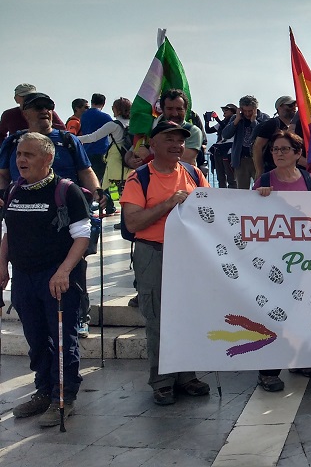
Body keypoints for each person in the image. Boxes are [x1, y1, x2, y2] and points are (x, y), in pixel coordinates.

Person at [1, 132, 91, 427]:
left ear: (48, 158)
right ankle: (43, 391)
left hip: (57, 280)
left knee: (64, 341)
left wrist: (63, 271)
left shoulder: (66, 190)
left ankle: (63, 397)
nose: (21, 160)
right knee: (36, 339)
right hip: (24, 280)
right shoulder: (15, 190)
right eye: (18, 155)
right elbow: (8, 232)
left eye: (28, 154)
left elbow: (82, 237)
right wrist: (2, 265)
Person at [120, 121, 211, 405]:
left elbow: (212, 209)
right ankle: (162, 380)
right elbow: (133, 222)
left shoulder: (194, 173)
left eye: (180, 141)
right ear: (153, 144)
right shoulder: (139, 178)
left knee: (187, 314)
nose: (176, 145)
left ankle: (186, 375)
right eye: (169, 139)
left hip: (187, 254)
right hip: (153, 253)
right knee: (158, 319)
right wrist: (168, 203)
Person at [254, 130, 311, 390]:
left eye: (284, 149)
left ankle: (300, 359)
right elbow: (249, 217)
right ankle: (268, 370)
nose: (278, 153)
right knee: (274, 311)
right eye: (275, 149)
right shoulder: (263, 181)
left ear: (297, 154)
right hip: (274, 258)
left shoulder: (309, 179)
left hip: (303, 257)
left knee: (301, 308)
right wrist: (259, 198)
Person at [77, 97, 132, 213]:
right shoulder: (131, 123)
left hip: (116, 160)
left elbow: (93, 137)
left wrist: (73, 138)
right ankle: (124, 217)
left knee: (116, 189)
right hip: (129, 159)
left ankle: (123, 220)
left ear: (118, 109)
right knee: (128, 190)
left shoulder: (113, 125)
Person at [218, 95, 269, 189]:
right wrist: (236, 120)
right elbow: (225, 134)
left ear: (255, 109)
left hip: (258, 160)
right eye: (245, 111)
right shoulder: (236, 118)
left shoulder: (264, 118)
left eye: (250, 111)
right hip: (241, 160)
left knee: (260, 187)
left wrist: (254, 122)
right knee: (241, 191)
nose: (247, 113)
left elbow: (264, 135)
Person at [252, 96, 300, 174]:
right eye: (290, 105)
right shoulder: (272, 124)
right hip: (271, 170)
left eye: (295, 105)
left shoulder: (296, 126)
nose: (294, 108)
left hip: (289, 170)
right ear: (279, 107)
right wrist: (260, 171)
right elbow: (257, 147)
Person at [0, 84, 67, 140]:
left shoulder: (46, 112)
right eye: (24, 96)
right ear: (16, 99)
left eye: (32, 96)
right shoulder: (9, 115)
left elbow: (62, 130)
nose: (28, 99)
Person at [204, 103, 238, 188]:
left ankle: (233, 194)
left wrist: (217, 119)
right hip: (219, 150)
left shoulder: (235, 121)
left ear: (232, 112)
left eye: (227, 110)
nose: (224, 111)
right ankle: (222, 194)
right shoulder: (221, 122)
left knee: (231, 176)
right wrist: (207, 121)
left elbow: (227, 130)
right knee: (220, 176)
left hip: (229, 150)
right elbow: (208, 130)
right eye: (224, 110)